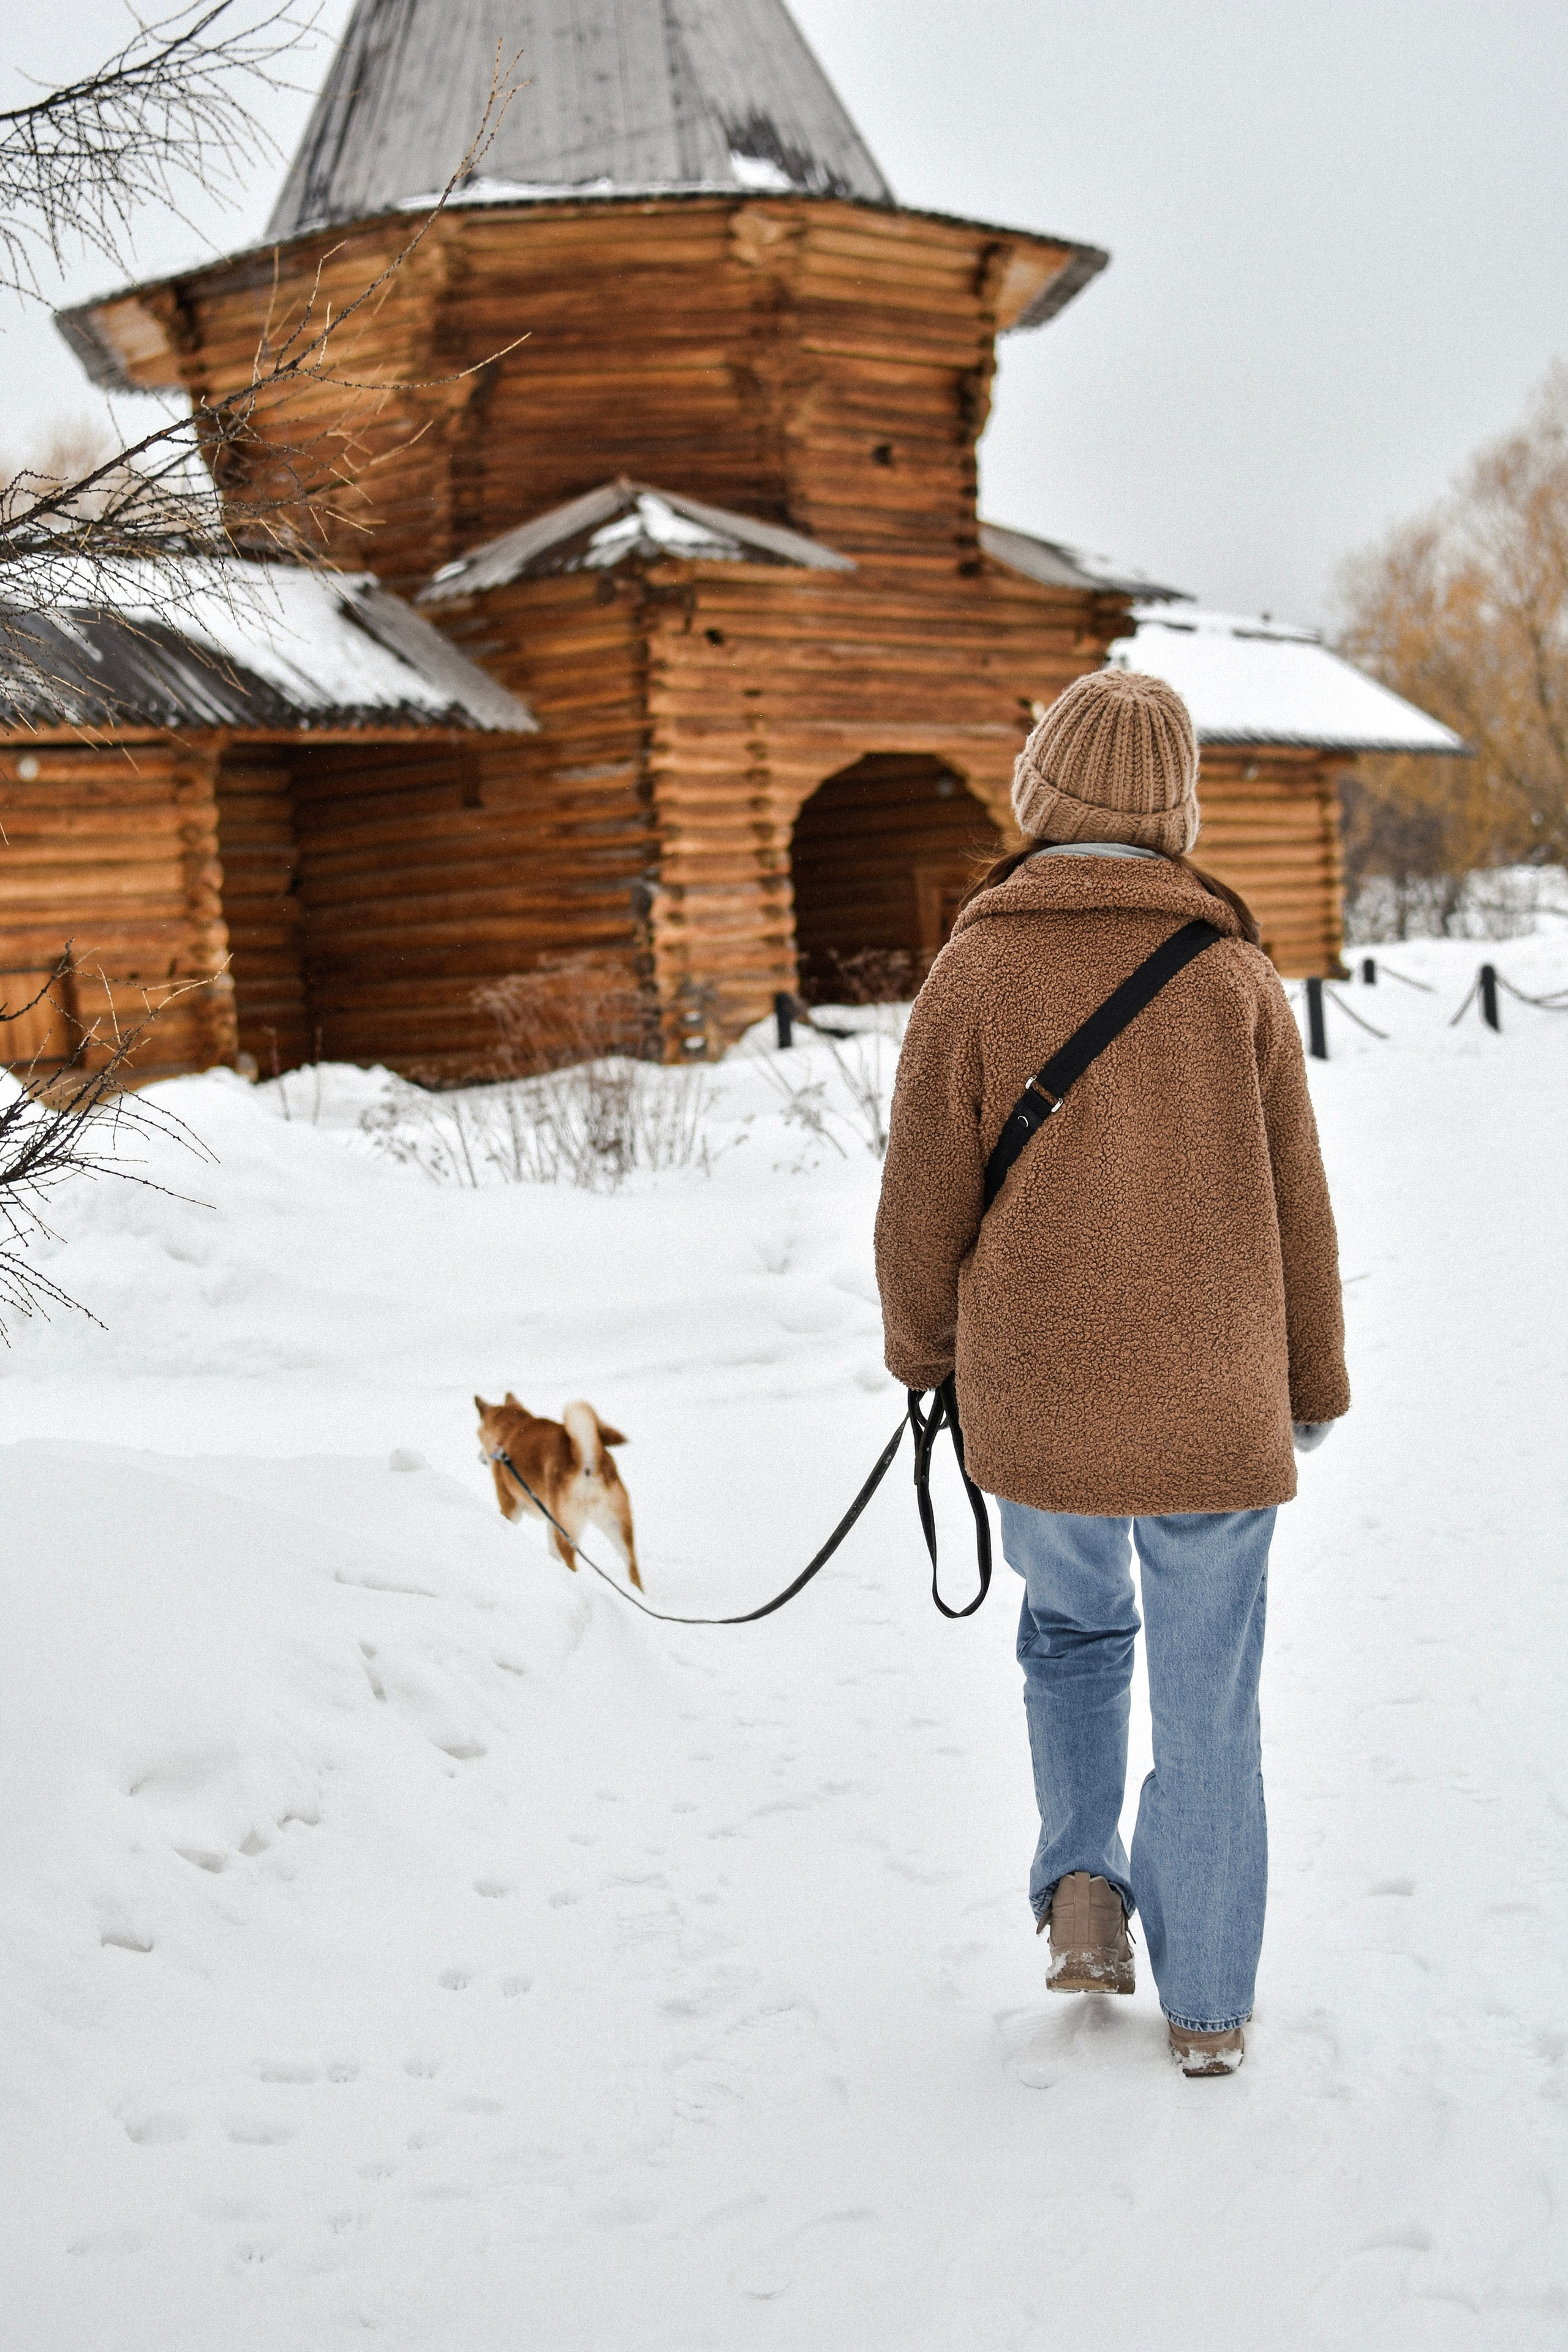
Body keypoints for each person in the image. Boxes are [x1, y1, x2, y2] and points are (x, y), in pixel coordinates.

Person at [873, 667, 1349, 2078]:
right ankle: (1205, 2006)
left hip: (1039, 1400)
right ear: (1176, 817)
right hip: (1213, 1403)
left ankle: (1081, 1891)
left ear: (1038, 796)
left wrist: (924, 1353)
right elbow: (1297, 1206)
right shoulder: (1233, 975)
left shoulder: (974, 967)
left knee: (1074, 1638)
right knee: (1208, 1695)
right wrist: (1307, 1380)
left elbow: (918, 1202)